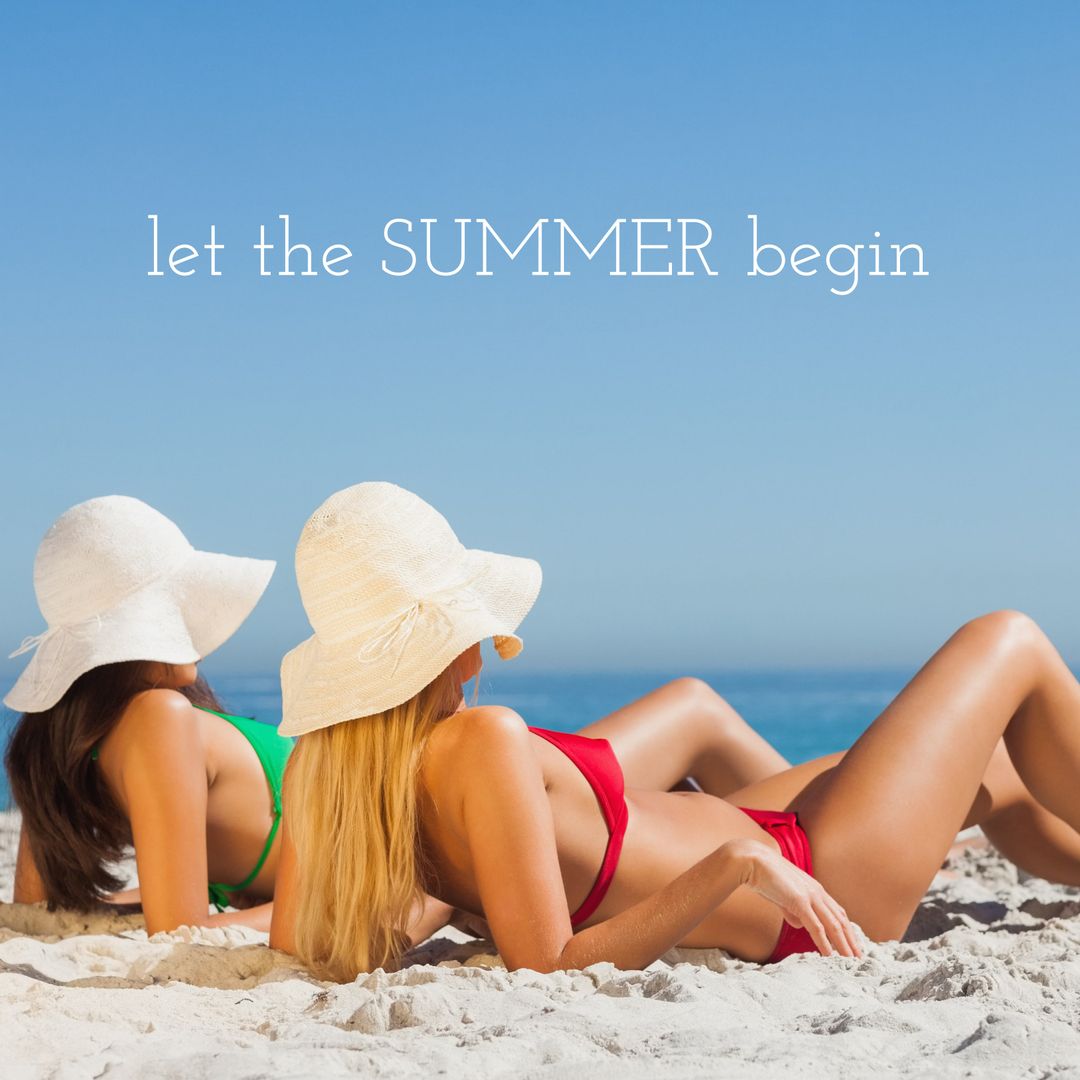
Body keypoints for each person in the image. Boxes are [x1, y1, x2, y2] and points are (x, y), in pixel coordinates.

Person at [269, 482, 1080, 982]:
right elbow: (548, 967)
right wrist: (731, 866)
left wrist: (452, 904)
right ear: (444, 640)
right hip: (815, 883)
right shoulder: (482, 742)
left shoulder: (325, 768)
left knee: (995, 774)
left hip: (776, 835)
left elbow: (294, 943)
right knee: (1007, 640)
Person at [5, 495, 283, 933]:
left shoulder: (55, 742)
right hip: (376, 862)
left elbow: (36, 911)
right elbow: (181, 931)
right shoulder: (162, 715)